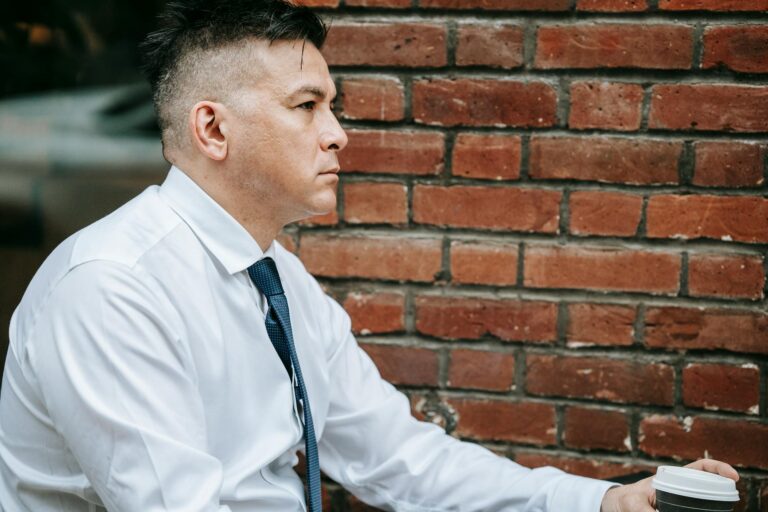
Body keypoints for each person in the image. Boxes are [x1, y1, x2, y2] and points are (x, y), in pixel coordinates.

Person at [0, 1, 738, 511]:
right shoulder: (112, 289)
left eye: (334, 105)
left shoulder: (278, 279)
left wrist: (606, 499)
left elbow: (396, 457)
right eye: (306, 105)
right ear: (213, 130)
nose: (338, 133)